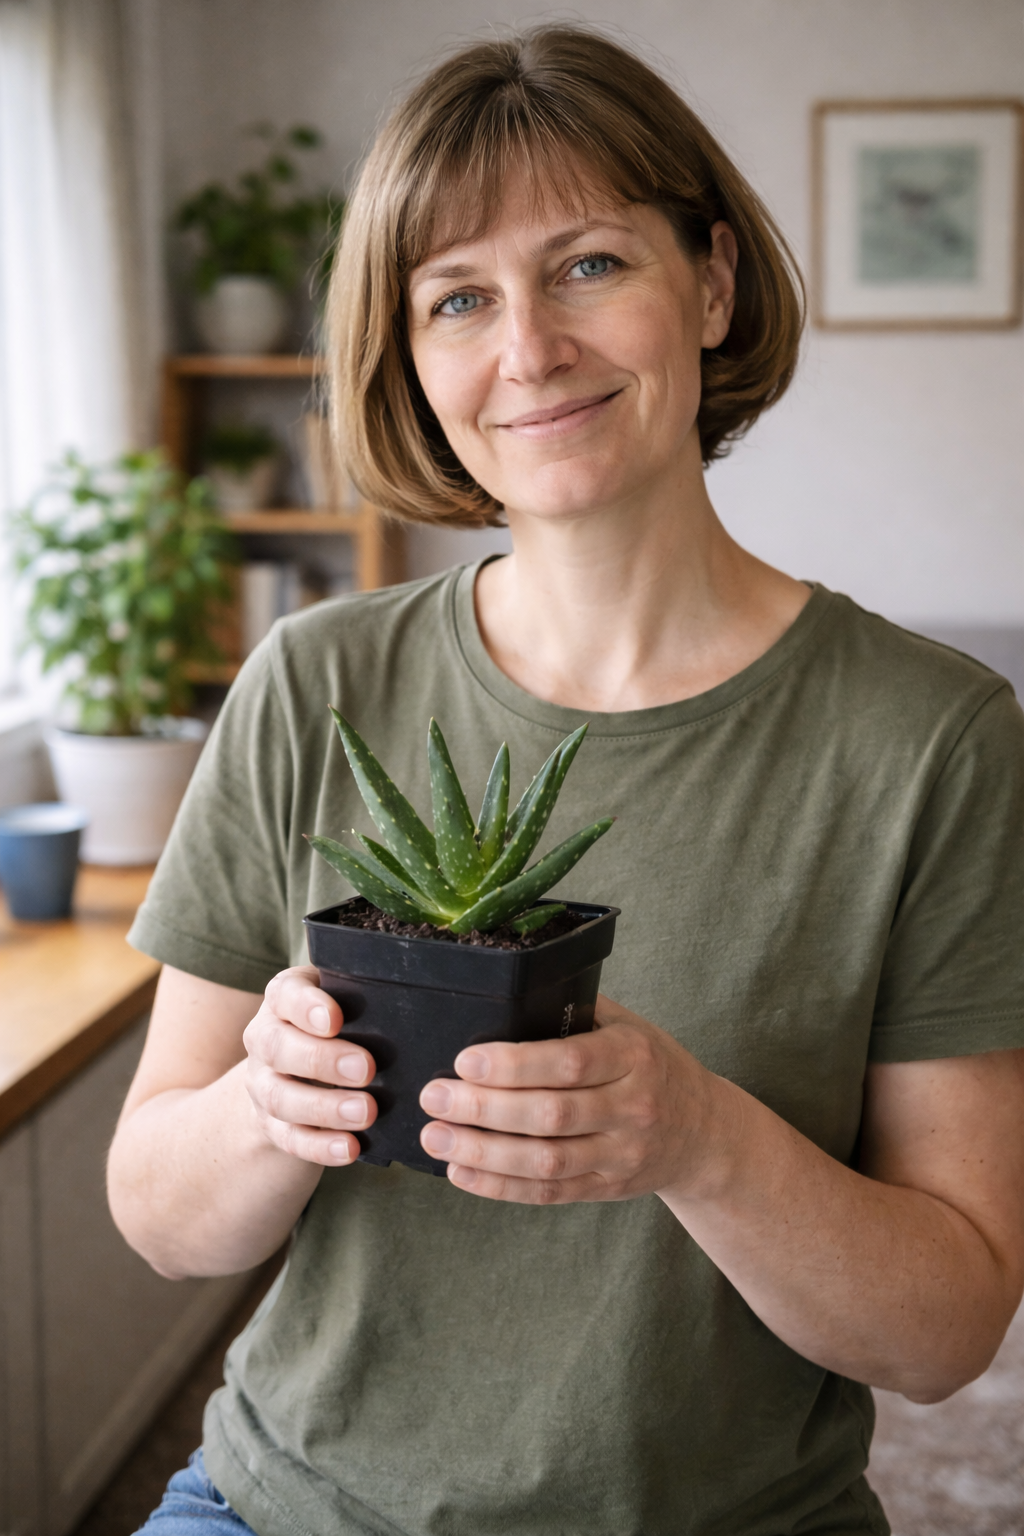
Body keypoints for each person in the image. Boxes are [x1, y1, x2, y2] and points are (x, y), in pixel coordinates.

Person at [111, 25, 1024, 1536]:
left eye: (590, 265)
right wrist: (266, 1105)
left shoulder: (936, 738)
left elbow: (947, 1335)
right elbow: (159, 1217)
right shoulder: (313, 682)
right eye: (458, 298)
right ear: (412, 360)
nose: (528, 350)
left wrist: (700, 1139)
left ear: (712, 285)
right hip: (283, 1506)